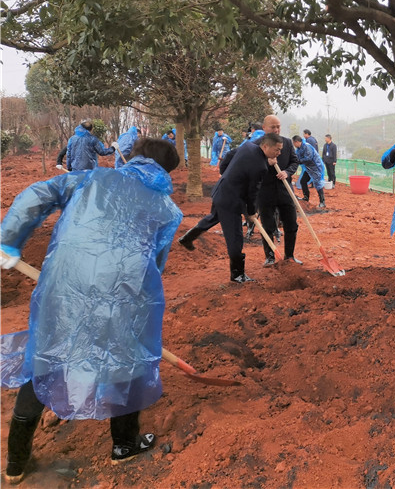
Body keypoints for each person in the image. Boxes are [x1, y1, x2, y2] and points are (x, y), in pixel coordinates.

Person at [0, 138, 182, 483]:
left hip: (65, 288)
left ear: (134, 157)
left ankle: (15, 463)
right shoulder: (168, 209)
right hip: (124, 297)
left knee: (45, 358)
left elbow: (38, 194)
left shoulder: (91, 178)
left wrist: (9, 240)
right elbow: (156, 263)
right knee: (126, 360)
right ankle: (124, 446)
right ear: (167, 170)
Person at [177, 133, 285, 283]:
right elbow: (252, 192)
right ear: (266, 146)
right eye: (277, 150)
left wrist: (226, 174)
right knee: (235, 237)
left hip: (221, 190)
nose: (279, 153)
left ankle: (187, 238)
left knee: (214, 216)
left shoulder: (247, 146)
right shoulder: (261, 167)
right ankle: (237, 274)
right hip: (231, 201)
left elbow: (228, 157)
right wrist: (251, 212)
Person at [256, 116, 301, 267]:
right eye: (273, 127)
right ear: (264, 128)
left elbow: (295, 161)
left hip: (285, 190)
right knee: (267, 225)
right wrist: (265, 162)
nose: (276, 130)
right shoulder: (256, 145)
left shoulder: (287, 143)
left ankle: (290, 256)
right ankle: (269, 257)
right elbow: (250, 165)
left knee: (291, 224)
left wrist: (287, 172)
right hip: (265, 191)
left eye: (278, 126)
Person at [292, 135, 326, 209]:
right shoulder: (298, 149)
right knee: (303, 181)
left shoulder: (307, 147)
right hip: (308, 169)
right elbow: (296, 158)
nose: (293, 145)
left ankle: (322, 202)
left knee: (318, 183)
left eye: (293, 143)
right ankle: (306, 198)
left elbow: (309, 158)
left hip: (315, 167)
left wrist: (299, 161)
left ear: (296, 142)